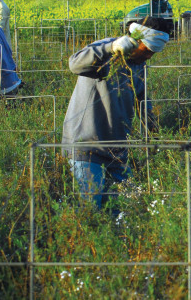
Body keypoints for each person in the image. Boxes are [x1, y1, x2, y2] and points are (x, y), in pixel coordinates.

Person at [61, 18, 169, 210]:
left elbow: (141, 99)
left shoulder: (137, 64)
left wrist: (154, 132)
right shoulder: (107, 51)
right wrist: (110, 47)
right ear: (135, 40)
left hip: (117, 150)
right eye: (146, 51)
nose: (148, 57)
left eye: (152, 54)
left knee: (126, 207)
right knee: (89, 210)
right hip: (86, 147)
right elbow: (74, 64)